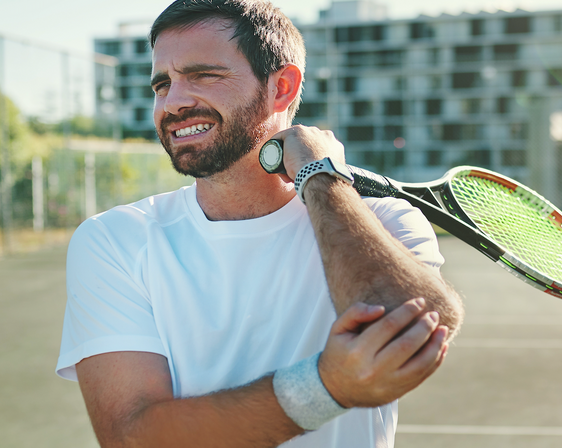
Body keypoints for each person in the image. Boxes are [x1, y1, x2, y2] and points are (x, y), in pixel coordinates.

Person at [55, 0, 464, 446]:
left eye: (204, 75)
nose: (173, 102)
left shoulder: (384, 220)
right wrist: (325, 387)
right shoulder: (115, 239)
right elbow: (132, 436)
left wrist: (320, 179)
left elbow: (415, 332)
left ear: (282, 88)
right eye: (162, 84)